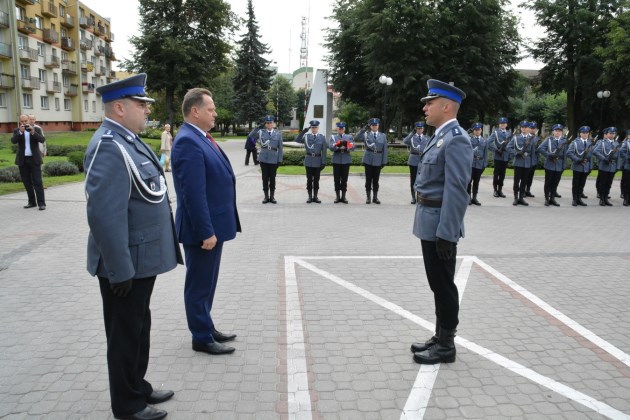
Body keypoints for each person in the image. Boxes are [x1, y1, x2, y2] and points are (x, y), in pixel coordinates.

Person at [84, 73, 182, 420]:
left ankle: (137, 386)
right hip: (125, 263)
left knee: (139, 325)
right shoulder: (109, 146)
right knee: (124, 334)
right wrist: (119, 269)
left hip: (141, 258)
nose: (146, 112)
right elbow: (104, 216)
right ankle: (126, 405)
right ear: (120, 108)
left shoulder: (129, 140)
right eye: (142, 106)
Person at [171, 88, 241, 357]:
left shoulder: (200, 137)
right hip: (203, 230)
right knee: (199, 284)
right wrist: (206, 231)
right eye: (210, 109)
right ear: (195, 111)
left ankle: (207, 326)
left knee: (208, 282)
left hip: (212, 227)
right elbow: (192, 193)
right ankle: (200, 337)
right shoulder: (187, 141)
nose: (215, 113)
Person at [410, 79, 472, 365]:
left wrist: (447, 234)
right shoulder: (440, 135)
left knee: (444, 284)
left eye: (430, 102)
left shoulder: (456, 138)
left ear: (446, 107)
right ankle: (439, 334)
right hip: (429, 221)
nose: (425, 107)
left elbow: (457, 190)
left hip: (440, 227)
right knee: (437, 283)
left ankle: (447, 345)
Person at [11, 114, 46, 210]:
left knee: (38, 182)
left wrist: (32, 132)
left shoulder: (36, 129)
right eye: (22, 121)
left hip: (34, 159)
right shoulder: (17, 131)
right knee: (27, 182)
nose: (24, 123)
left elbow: (42, 140)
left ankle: (41, 203)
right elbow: (13, 141)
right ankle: (32, 202)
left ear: (29, 120)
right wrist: (20, 133)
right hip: (22, 160)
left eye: (25, 121)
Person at [250, 116, 283, 204]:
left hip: (273, 158)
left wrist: (279, 160)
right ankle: (265, 197)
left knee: (272, 178)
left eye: (270, 122)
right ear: (265, 124)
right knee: (264, 178)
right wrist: (258, 127)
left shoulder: (278, 134)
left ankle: (272, 197)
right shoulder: (261, 132)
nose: (269, 124)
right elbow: (251, 136)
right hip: (263, 158)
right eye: (267, 123)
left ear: (273, 124)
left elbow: (280, 148)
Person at [295, 120, 328, 203]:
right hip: (309, 161)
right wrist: (304, 131)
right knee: (309, 180)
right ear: (311, 128)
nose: (314, 129)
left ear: (318, 128)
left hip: (317, 161)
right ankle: (310, 197)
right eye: (312, 127)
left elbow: (324, 151)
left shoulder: (322, 137)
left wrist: (323, 162)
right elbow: (297, 140)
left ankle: (315, 197)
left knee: (316, 180)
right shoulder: (306, 136)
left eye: (315, 127)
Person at [357, 118, 388, 204]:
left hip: (378, 160)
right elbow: (357, 137)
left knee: (376, 180)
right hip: (368, 160)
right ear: (370, 126)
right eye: (372, 125)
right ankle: (368, 197)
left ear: (378, 126)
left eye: (376, 125)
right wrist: (364, 128)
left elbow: (385, 149)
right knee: (368, 179)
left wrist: (384, 161)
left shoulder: (383, 136)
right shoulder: (366, 134)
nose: (374, 126)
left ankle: (375, 197)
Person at [537, 124, 568, 206]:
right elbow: (540, 148)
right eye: (556, 131)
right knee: (548, 182)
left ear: (562, 132)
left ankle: (552, 198)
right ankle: (547, 198)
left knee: (555, 183)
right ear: (553, 132)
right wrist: (549, 155)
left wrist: (564, 165)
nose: (558, 132)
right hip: (549, 164)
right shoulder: (549, 140)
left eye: (559, 131)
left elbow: (565, 154)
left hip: (559, 165)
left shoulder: (564, 141)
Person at [507, 121, 536, 206]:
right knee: (516, 181)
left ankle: (521, 198)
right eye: (522, 127)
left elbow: (533, 152)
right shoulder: (516, 138)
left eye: (526, 127)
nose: (524, 128)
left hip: (527, 163)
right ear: (520, 128)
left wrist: (532, 163)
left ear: (528, 128)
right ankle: (516, 198)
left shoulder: (532, 139)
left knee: (524, 181)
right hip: (518, 162)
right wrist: (516, 153)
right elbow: (508, 147)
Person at [403, 122, 430, 204]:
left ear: (423, 129)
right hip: (413, 160)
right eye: (418, 128)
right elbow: (405, 141)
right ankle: (413, 197)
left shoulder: (427, 138)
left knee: (422, 179)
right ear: (416, 129)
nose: (419, 130)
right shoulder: (412, 137)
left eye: (421, 128)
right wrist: (411, 133)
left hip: (423, 160)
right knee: (414, 179)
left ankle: (419, 196)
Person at [328, 121, 354, 203]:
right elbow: (331, 146)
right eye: (339, 128)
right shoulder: (333, 137)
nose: (341, 130)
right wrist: (339, 148)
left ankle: (343, 197)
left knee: (344, 179)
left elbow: (353, 146)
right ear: (337, 129)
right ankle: (337, 197)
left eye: (342, 128)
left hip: (346, 161)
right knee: (336, 179)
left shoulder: (349, 137)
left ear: (344, 129)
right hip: (336, 160)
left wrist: (346, 148)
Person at [567, 126, 593, 206]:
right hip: (577, 166)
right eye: (583, 133)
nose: (585, 134)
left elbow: (591, 155)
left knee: (582, 184)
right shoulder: (575, 142)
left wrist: (590, 166)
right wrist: (577, 159)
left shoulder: (590, 143)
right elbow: (569, 153)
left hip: (586, 166)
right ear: (580, 133)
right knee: (576, 184)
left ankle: (579, 198)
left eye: (586, 133)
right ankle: (574, 199)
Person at [593, 127, 620, 206]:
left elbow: (619, 156)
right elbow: (595, 151)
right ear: (607, 134)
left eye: (613, 133)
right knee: (603, 183)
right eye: (610, 133)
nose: (612, 135)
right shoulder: (602, 142)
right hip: (604, 166)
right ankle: (601, 199)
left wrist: (618, 167)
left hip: (612, 166)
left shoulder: (616, 144)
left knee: (609, 183)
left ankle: (606, 198)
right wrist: (603, 158)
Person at [487, 117, 511, 198]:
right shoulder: (495, 132)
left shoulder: (509, 133)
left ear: (506, 124)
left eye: (504, 124)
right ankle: (495, 190)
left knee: (503, 174)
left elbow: (511, 145)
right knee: (496, 173)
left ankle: (500, 190)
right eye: (501, 124)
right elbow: (489, 142)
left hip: (505, 156)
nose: (502, 125)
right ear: (499, 124)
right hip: (498, 155)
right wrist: (496, 150)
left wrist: (510, 154)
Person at [467, 122, 488, 206]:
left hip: (480, 164)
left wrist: (484, 164)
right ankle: (468, 197)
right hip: (471, 163)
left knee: (476, 182)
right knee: (469, 181)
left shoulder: (484, 140)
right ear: (473, 131)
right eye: (475, 130)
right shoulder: (469, 139)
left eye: (479, 130)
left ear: (481, 130)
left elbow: (485, 153)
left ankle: (474, 198)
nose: (477, 131)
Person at [524, 121, 540, 198]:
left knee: (530, 177)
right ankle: (523, 190)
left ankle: (528, 190)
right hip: (527, 160)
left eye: (534, 128)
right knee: (525, 176)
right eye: (531, 128)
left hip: (534, 160)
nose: (533, 130)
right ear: (529, 128)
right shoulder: (526, 137)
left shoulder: (537, 138)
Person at [620, 130, 630, 206]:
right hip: (628, 166)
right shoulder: (626, 143)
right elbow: (621, 152)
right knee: (627, 183)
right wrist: (627, 158)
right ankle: (626, 199)